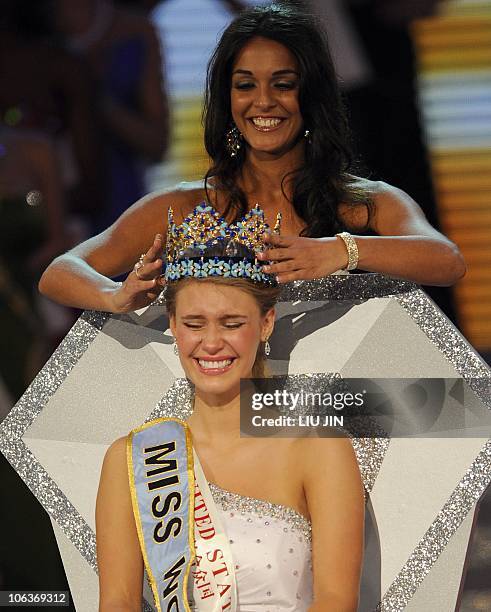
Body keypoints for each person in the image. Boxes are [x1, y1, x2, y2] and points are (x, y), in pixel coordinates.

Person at [39, 3, 466, 315]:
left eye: (283, 84)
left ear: (312, 97)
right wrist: (116, 296)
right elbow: (61, 271)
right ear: (228, 99)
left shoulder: (359, 201)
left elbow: (445, 260)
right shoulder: (187, 207)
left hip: (338, 417)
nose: (263, 102)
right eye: (245, 85)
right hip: (226, 423)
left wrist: (341, 252)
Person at [95, 206, 365, 610]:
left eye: (232, 323)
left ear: (266, 322)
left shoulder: (319, 449)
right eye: (194, 323)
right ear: (172, 323)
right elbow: (117, 601)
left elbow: (336, 602)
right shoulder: (133, 459)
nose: (212, 343)